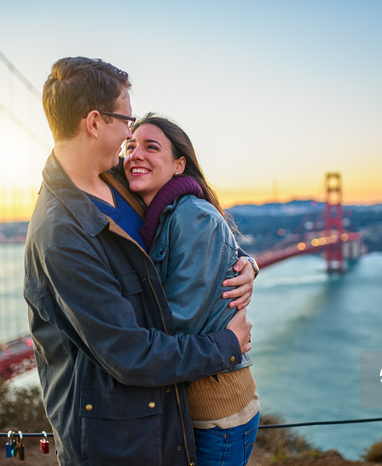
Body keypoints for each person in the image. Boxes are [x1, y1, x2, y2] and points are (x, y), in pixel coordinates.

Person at [24, 57, 256, 465]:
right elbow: (130, 354)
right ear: (94, 122)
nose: (130, 135)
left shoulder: (119, 183)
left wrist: (244, 265)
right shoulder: (60, 234)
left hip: (166, 415)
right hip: (119, 438)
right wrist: (227, 345)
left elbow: (194, 230)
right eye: (125, 121)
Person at [122, 113, 260, 465]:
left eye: (151, 147)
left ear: (179, 164)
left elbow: (181, 321)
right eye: (129, 146)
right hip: (189, 405)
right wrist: (249, 262)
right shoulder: (156, 216)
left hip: (215, 409)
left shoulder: (191, 216)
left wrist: (109, 330)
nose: (135, 154)